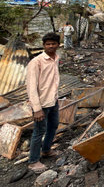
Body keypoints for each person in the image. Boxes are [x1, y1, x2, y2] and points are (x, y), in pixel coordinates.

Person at [26, 33, 62, 173]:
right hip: (41, 104)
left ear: (58, 45)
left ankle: (46, 150)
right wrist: (36, 108)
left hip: (53, 100)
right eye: (48, 44)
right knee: (38, 131)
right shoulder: (36, 62)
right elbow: (31, 86)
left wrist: (56, 97)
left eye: (53, 43)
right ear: (43, 45)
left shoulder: (56, 58)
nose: (51, 46)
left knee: (53, 126)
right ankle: (33, 161)